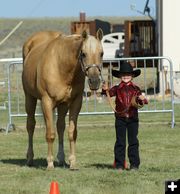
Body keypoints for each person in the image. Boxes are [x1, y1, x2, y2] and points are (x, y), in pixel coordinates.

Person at [102, 61, 148, 172]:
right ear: (119, 76)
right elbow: (107, 93)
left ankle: (134, 165)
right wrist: (105, 89)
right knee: (120, 142)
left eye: (128, 74)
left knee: (133, 142)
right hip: (120, 119)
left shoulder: (136, 89)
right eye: (123, 75)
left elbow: (142, 101)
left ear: (132, 76)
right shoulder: (117, 88)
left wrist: (143, 99)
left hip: (133, 119)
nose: (125, 76)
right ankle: (119, 165)